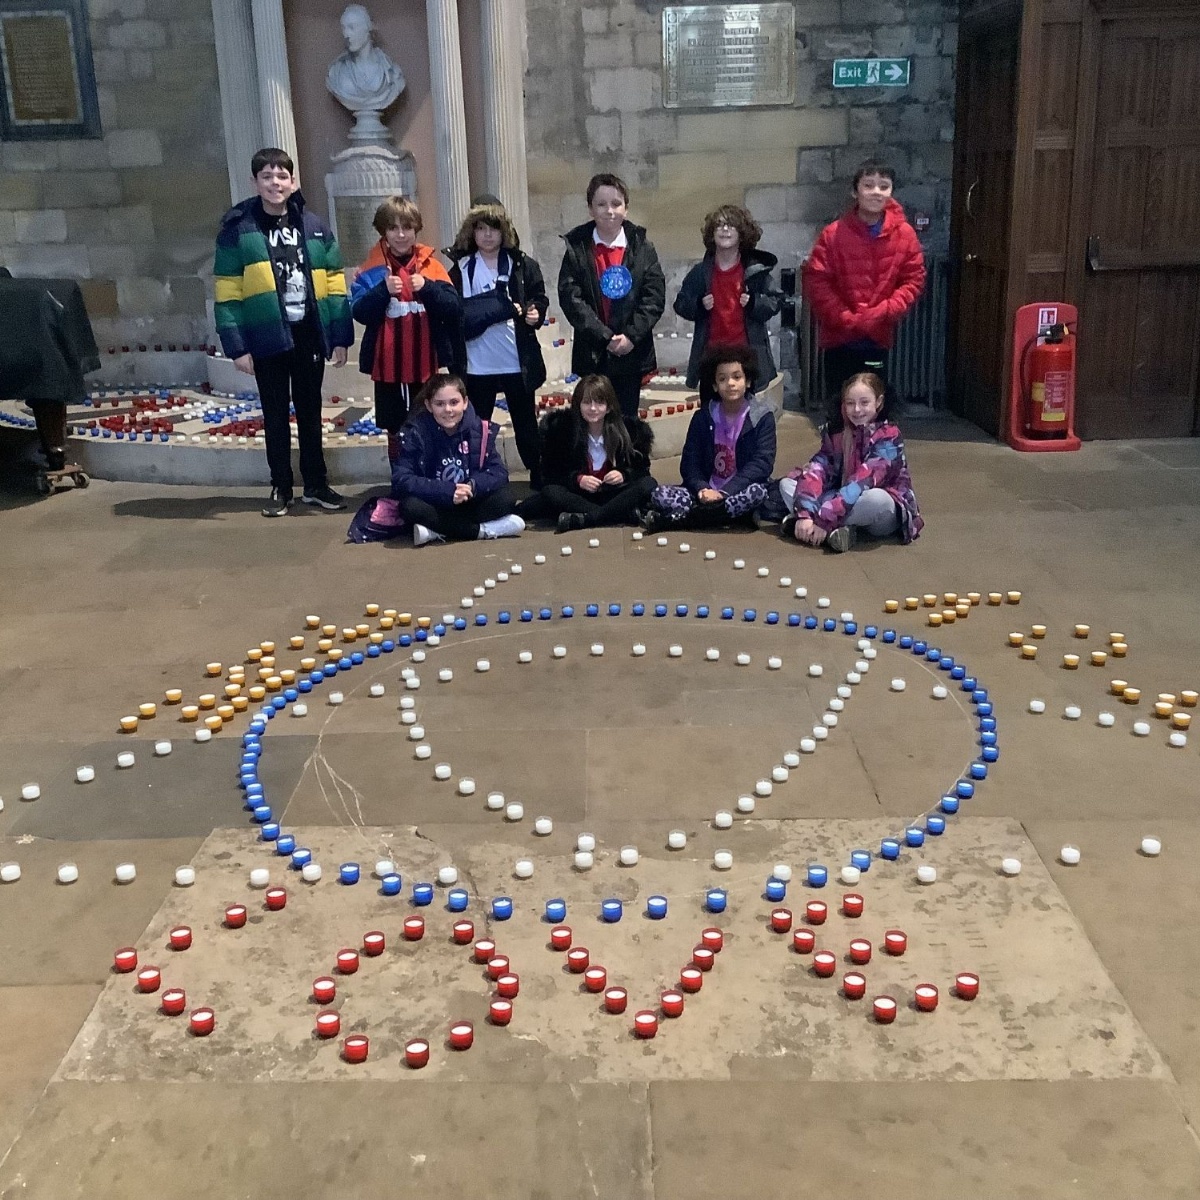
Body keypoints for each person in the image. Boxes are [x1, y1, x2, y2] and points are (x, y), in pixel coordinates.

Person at [213, 146, 353, 517]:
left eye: (282, 176)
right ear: (255, 182)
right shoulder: (238, 229)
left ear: (293, 181)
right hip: (267, 336)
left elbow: (336, 282)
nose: (275, 183)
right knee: (275, 414)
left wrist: (339, 335)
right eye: (267, 176)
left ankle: (316, 484)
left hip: (308, 332)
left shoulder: (315, 226)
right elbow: (227, 291)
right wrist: (237, 346)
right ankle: (280, 486)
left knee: (310, 411)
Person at [802, 160, 925, 400]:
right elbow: (817, 280)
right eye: (868, 185)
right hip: (839, 338)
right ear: (855, 191)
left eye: (884, 186)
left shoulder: (905, 235)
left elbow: (913, 280)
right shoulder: (833, 233)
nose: (876, 192)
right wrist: (844, 317)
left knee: (872, 409)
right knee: (838, 408)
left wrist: (883, 312)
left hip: (877, 337)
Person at [350, 196, 460, 460]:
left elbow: (454, 307)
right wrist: (382, 291)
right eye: (393, 228)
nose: (401, 235)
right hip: (388, 365)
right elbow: (359, 312)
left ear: (416, 230)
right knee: (394, 426)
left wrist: (429, 288)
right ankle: (401, 478)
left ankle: (429, 474)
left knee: (429, 419)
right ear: (383, 231)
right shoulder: (372, 267)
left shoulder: (431, 265)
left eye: (407, 227)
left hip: (426, 362)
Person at [447, 201, 548, 486]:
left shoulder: (522, 265)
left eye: (494, 228)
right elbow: (454, 314)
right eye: (481, 228)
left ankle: (538, 475)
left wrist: (535, 313)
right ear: (472, 232)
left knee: (526, 424)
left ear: (505, 232)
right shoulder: (461, 269)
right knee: (476, 427)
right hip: (478, 365)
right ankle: (476, 476)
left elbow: (539, 297)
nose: (488, 235)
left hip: (516, 361)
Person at [558, 172, 665, 419]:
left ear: (626, 209)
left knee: (626, 423)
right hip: (594, 352)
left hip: (631, 352)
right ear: (590, 209)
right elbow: (571, 298)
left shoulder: (642, 246)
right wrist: (604, 337)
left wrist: (629, 337)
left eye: (616, 204)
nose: (609, 211)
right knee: (595, 420)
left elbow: (654, 296)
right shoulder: (578, 248)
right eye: (601, 204)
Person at [780, 371, 923, 553]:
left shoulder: (889, 436)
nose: (856, 410)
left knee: (876, 500)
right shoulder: (837, 432)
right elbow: (819, 467)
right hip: (840, 498)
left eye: (864, 403)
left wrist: (824, 518)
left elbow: (862, 482)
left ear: (878, 402)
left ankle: (819, 527)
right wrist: (805, 512)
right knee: (788, 484)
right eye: (850, 403)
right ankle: (838, 531)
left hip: (878, 508)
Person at [643, 343, 775, 530]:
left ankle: (684, 519)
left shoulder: (762, 417)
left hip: (738, 491)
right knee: (659, 494)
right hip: (704, 493)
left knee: (757, 493)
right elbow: (689, 462)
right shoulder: (703, 416)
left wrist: (724, 492)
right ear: (714, 385)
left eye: (737, 377)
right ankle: (723, 516)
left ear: (748, 381)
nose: (730, 383)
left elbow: (762, 463)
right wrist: (702, 488)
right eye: (722, 379)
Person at [390, 374, 524, 546]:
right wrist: (447, 491)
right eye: (440, 404)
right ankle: (482, 531)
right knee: (410, 507)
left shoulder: (479, 429)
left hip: (470, 502)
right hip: (436, 503)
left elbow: (499, 472)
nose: (448, 410)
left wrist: (472, 486)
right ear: (428, 405)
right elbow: (401, 479)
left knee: (506, 497)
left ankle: (435, 531)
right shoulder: (415, 433)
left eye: (454, 402)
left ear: (465, 402)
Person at [674, 204, 784, 389]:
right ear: (711, 233)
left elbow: (776, 300)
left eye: (731, 225)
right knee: (711, 414)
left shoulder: (755, 271)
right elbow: (681, 304)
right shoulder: (700, 272)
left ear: (742, 233)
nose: (724, 229)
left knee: (743, 415)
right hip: (711, 357)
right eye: (719, 225)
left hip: (745, 357)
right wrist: (699, 305)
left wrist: (754, 303)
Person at [534, 374, 655, 532]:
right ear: (578, 405)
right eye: (586, 402)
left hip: (614, 494)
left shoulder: (628, 431)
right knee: (550, 493)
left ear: (609, 406)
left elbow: (642, 470)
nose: (592, 408)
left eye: (599, 402)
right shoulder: (562, 431)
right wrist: (577, 479)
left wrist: (623, 474)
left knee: (648, 484)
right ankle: (617, 515)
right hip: (580, 496)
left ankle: (586, 519)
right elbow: (550, 475)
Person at [326, 4, 405, 114]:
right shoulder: (337, 72)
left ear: (368, 28)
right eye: (344, 28)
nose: (346, 35)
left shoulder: (391, 72)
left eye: (352, 27)